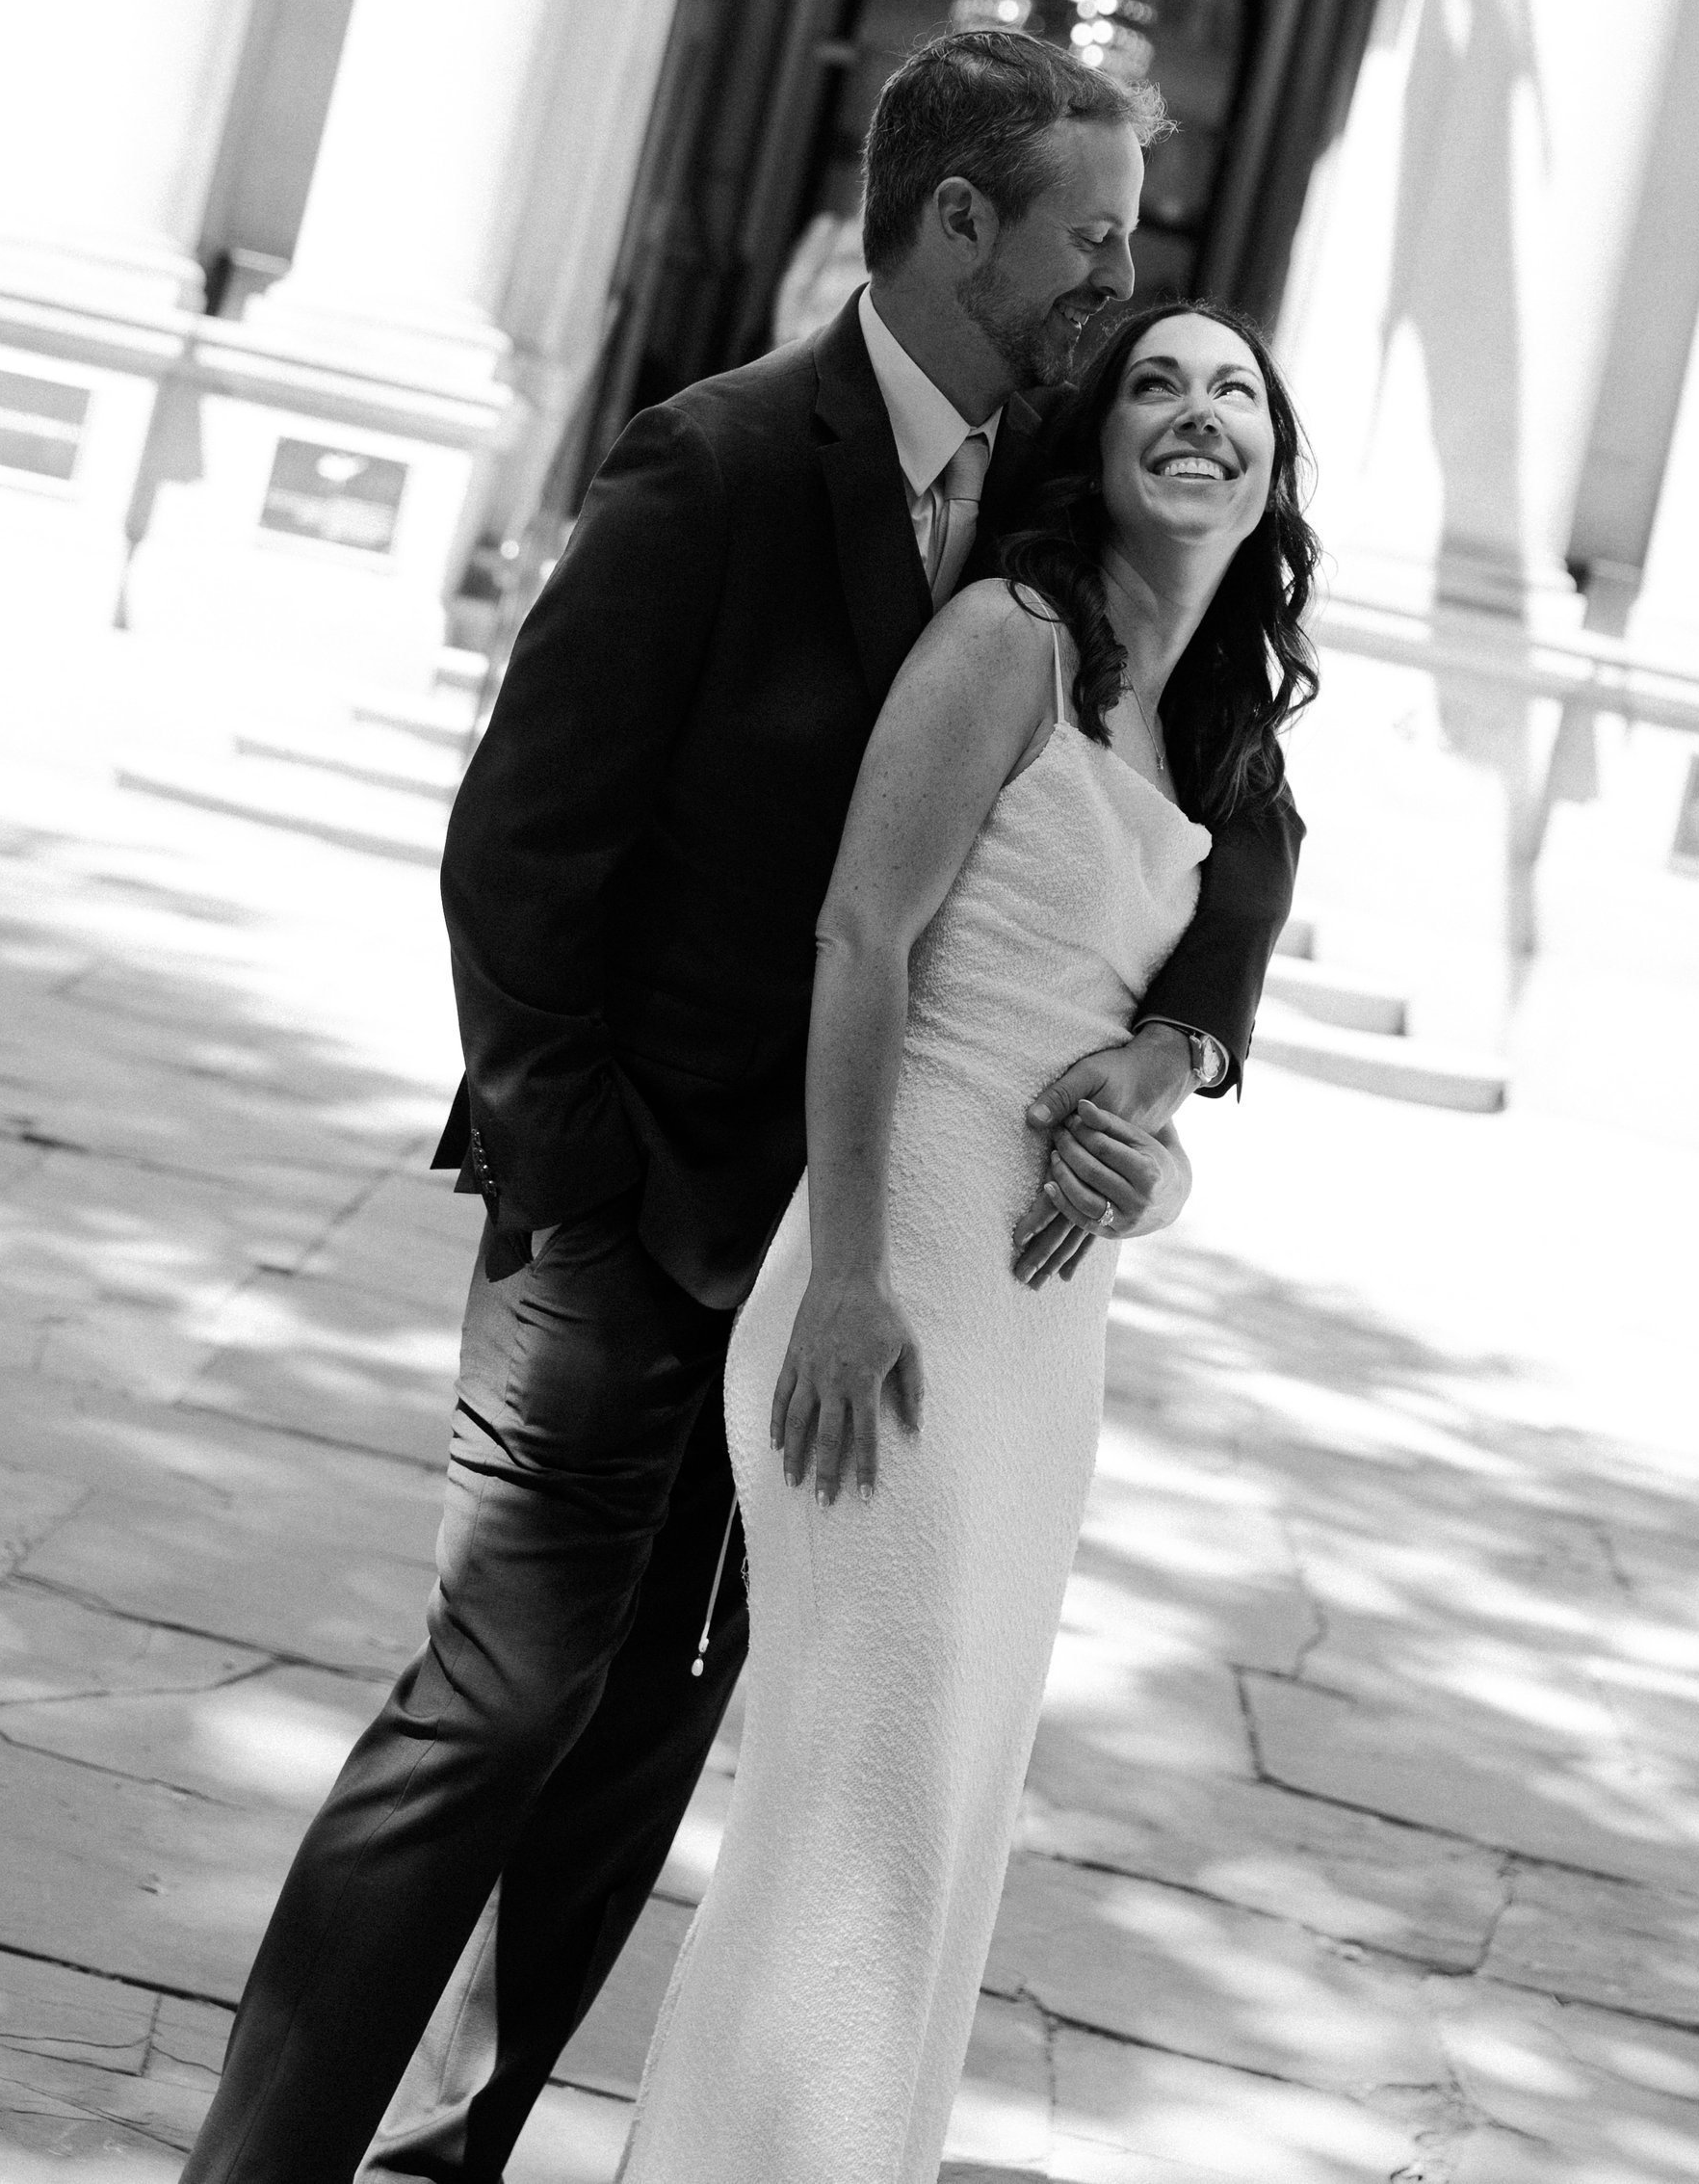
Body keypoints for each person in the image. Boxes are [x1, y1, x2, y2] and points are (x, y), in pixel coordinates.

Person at [178, 29, 1299, 2184]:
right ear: (957, 222)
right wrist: (586, 1191)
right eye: (1090, 238)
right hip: (628, 1238)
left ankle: (441, 2162)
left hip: (850, 1254)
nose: (1118, 278)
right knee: (497, 1706)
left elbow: (1222, 779)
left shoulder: (1052, 480)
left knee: (635, 1760)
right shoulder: (714, 460)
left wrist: (1182, 1038)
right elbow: (518, 857)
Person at [617, 293, 1317, 2182]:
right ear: (1093, 439)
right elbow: (861, 941)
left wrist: (1151, 1122)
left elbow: (1161, 1022)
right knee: (860, 1797)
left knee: (940, 1802)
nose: (1196, 412)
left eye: (1233, 393)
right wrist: (845, 1277)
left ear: (1271, 467)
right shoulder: (1011, 638)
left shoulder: (1209, 735)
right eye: (1154, 383)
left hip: (1039, 1343)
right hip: (899, 1267)